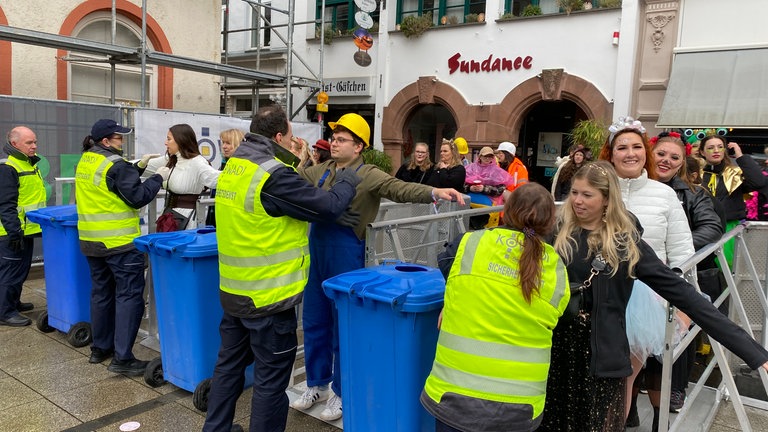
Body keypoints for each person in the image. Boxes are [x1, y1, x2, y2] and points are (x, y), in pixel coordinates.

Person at [538, 161, 768, 432]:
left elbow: (683, 294)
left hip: (603, 359)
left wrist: (754, 353)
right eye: (574, 193)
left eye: (587, 195)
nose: (577, 201)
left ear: (607, 199)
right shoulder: (556, 234)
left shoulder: (625, 243)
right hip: (555, 355)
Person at [292, 113, 465, 422]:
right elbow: (292, 181)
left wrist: (434, 192)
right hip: (317, 249)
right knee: (315, 319)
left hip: (346, 251)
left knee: (342, 324)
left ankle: (342, 391)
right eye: (333, 137)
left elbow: (401, 189)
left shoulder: (369, 173)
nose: (334, 142)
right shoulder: (322, 169)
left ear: (359, 146)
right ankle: (316, 383)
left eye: (342, 139)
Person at [202, 105, 361, 432]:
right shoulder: (272, 176)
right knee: (270, 382)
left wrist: (297, 163)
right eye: (289, 137)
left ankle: (215, 428)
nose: (293, 141)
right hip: (268, 299)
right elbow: (327, 207)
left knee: (229, 369)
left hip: (234, 291)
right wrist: (347, 180)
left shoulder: (236, 166)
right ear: (277, 136)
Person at [421, 183, 569, 432]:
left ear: (506, 210)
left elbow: (452, 272)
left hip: (454, 396)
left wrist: (453, 302)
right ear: (550, 221)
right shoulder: (557, 268)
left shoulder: (469, 243)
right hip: (520, 407)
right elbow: (553, 317)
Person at [598, 118, 696, 430]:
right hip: (596, 295)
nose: (630, 153)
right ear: (611, 154)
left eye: (637, 146)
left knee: (623, 378)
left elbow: (682, 250)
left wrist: (682, 303)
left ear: (646, 152)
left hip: (643, 301)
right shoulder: (597, 189)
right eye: (622, 147)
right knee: (593, 376)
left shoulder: (664, 194)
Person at [75, 119, 170, 374]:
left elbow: (110, 186)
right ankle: (123, 358)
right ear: (106, 141)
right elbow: (136, 197)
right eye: (119, 138)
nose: (122, 141)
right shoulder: (115, 164)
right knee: (129, 296)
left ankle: (100, 348)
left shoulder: (88, 159)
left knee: (101, 294)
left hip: (91, 241)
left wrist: (137, 167)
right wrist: (158, 178)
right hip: (119, 243)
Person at [652, 132, 725, 413]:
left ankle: (675, 390)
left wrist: (674, 250)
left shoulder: (693, 193)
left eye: (674, 157)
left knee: (677, 333)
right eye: (661, 154)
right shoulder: (634, 186)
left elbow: (711, 227)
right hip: (640, 273)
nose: (666, 161)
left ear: (682, 163)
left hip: (676, 273)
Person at [0, 126, 46, 327]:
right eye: (29, 143)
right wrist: (14, 232)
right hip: (12, 232)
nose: (34, 146)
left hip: (25, 229)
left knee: (20, 269)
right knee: (10, 271)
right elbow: (6, 204)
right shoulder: (9, 168)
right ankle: (4, 311)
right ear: (14, 144)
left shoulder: (27, 163)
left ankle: (13, 302)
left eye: (35, 142)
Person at [699, 134, 766, 267]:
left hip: (730, 229)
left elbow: (759, 182)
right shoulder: (696, 175)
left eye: (720, 147)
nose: (716, 150)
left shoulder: (735, 174)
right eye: (711, 147)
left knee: (730, 270)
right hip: (702, 230)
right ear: (702, 152)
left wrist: (740, 156)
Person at [144, 124, 220, 231]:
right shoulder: (171, 159)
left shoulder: (197, 162)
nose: (166, 143)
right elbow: (142, 166)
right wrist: (138, 164)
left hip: (186, 220)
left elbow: (215, 179)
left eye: (169, 139)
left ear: (180, 140)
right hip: (168, 216)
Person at [205, 128, 245, 227]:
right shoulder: (225, 163)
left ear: (237, 144)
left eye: (228, 143)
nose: (224, 146)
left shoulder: (242, 166)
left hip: (232, 219)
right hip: (217, 215)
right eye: (223, 142)